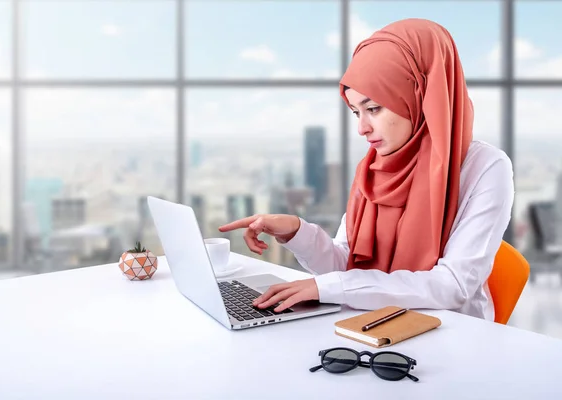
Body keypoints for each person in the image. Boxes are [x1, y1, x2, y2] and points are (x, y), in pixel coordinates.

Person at [218, 18, 514, 321]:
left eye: (373, 109)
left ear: (420, 94)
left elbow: (452, 285)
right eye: (356, 112)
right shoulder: (374, 169)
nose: (362, 128)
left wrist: (332, 286)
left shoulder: (485, 167)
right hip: (370, 327)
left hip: (451, 335)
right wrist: (296, 231)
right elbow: (347, 266)